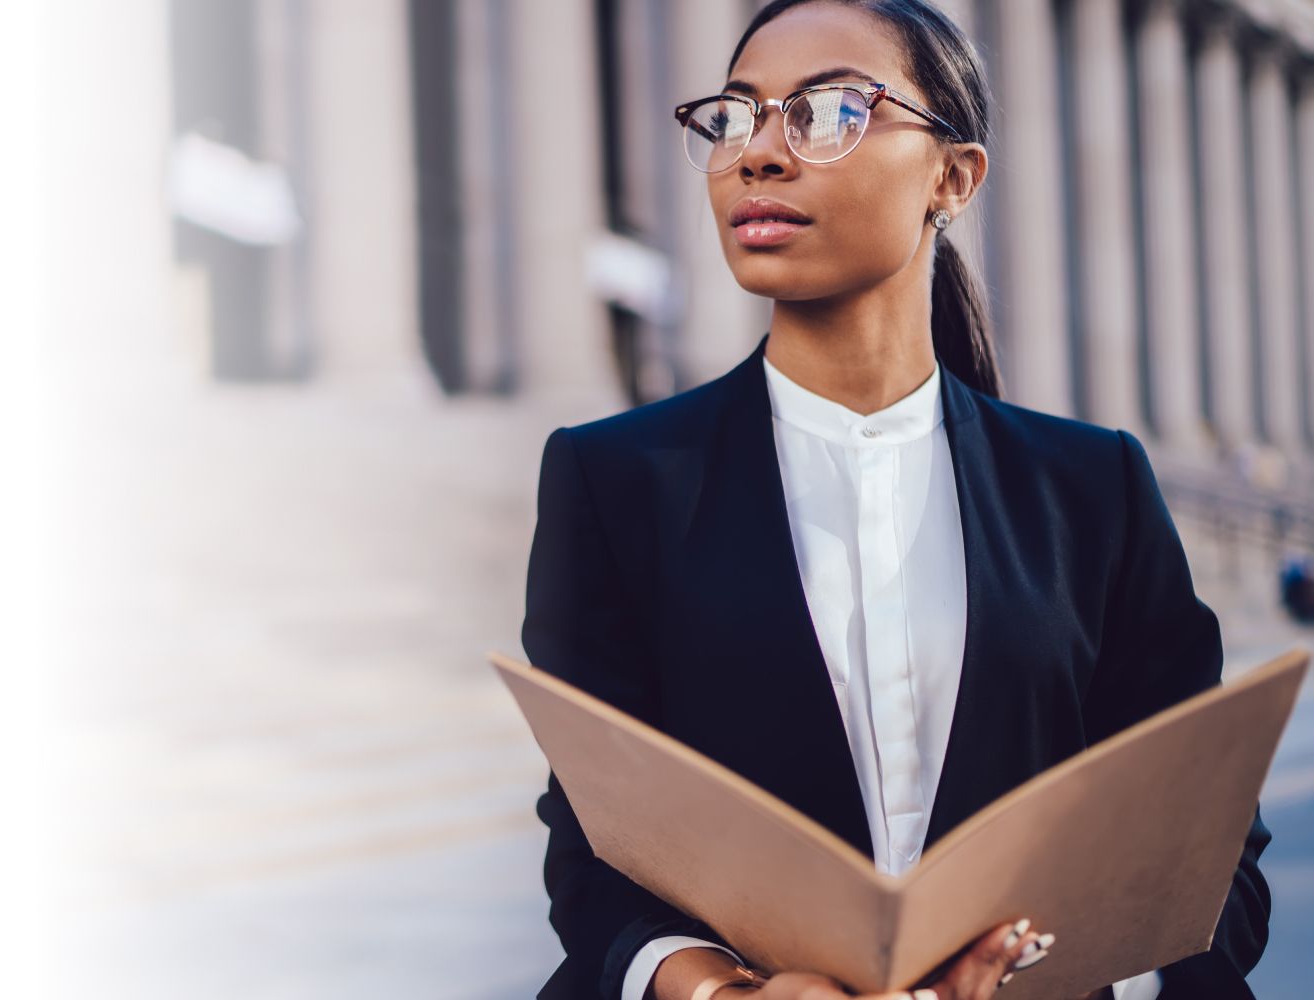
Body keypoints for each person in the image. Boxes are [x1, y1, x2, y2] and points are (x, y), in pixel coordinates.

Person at [519, 2, 1273, 999]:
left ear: (952, 178)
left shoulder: (1094, 490)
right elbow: (591, 847)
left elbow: (1211, 856)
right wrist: (714, 990)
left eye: (827, 111)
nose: (757, 155)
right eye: (735, 118)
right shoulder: (612, 479)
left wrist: (1053, 978)